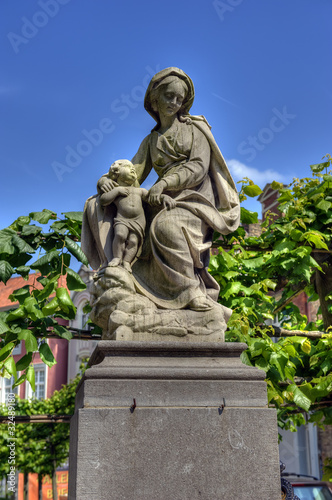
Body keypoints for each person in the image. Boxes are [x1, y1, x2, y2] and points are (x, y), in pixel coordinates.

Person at [83, 67, 240, 313]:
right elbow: (132, 173)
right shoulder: (151, 141)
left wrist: (165, 183)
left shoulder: (195, 130)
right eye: (169, 96)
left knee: (166, 226)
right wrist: (105, 180)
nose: (175, 103)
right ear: (155, 100)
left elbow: (198, 167)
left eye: (180, 98)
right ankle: (125, 275)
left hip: (195, 199)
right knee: (99, 203)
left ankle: (189, 292)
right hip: (163, 197)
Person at [99, 159, 175, 272]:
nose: (133, 170)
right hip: (122, 218)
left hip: (138, 220)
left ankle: (127, 261)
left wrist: (164, 197)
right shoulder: (117, 190)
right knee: (120, 235)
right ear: (117, 172)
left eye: (134, 169)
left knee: (134, 241)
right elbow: (103, 200)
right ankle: (117, 257)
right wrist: (117, 191)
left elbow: (151, 197)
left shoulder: (140, 191)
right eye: (129, 168)